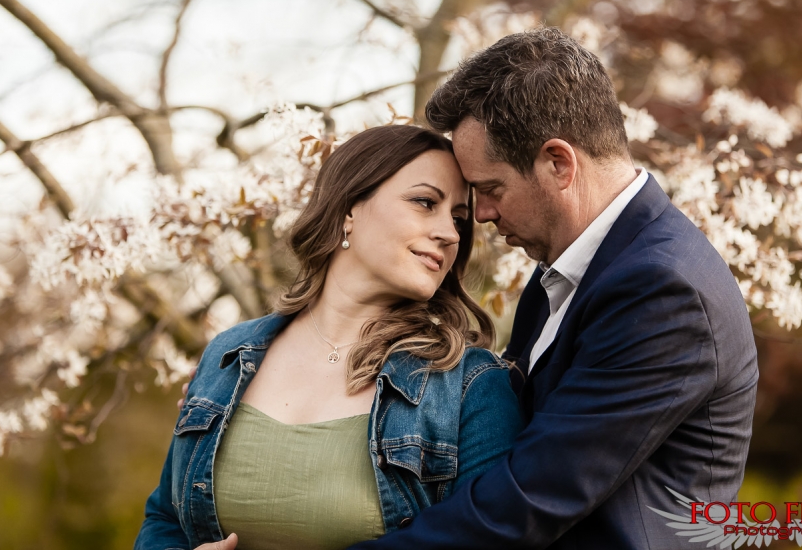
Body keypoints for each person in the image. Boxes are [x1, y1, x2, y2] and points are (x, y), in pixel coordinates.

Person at [349, 28, 759, 549]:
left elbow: (532, 495)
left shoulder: (662, 291)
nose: (482, 214)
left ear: (558, 163)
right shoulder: (565, 275)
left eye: (491, 189)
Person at [134, 124, 523, 550]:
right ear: (348, 209)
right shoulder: (229, 354)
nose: (450, 233)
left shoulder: (470, 387)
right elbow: (165, 517)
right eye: (425, 202)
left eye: (458, 219)